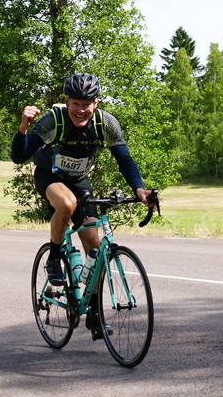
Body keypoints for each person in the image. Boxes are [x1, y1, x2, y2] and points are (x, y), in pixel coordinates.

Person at [10, 71, 154, 289]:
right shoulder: (53, 120)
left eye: (86, 104)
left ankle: (94, 313)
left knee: (94, 249)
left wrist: (139, 189)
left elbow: (124, 160)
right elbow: (19, 157)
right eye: (75, 103)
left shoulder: (106, 123)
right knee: (67, 204)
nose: (80, 110)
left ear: (95, 103)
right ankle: (54, 258)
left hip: (79, 180)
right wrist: (23, 127)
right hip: (49, 175)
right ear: (67, 101)